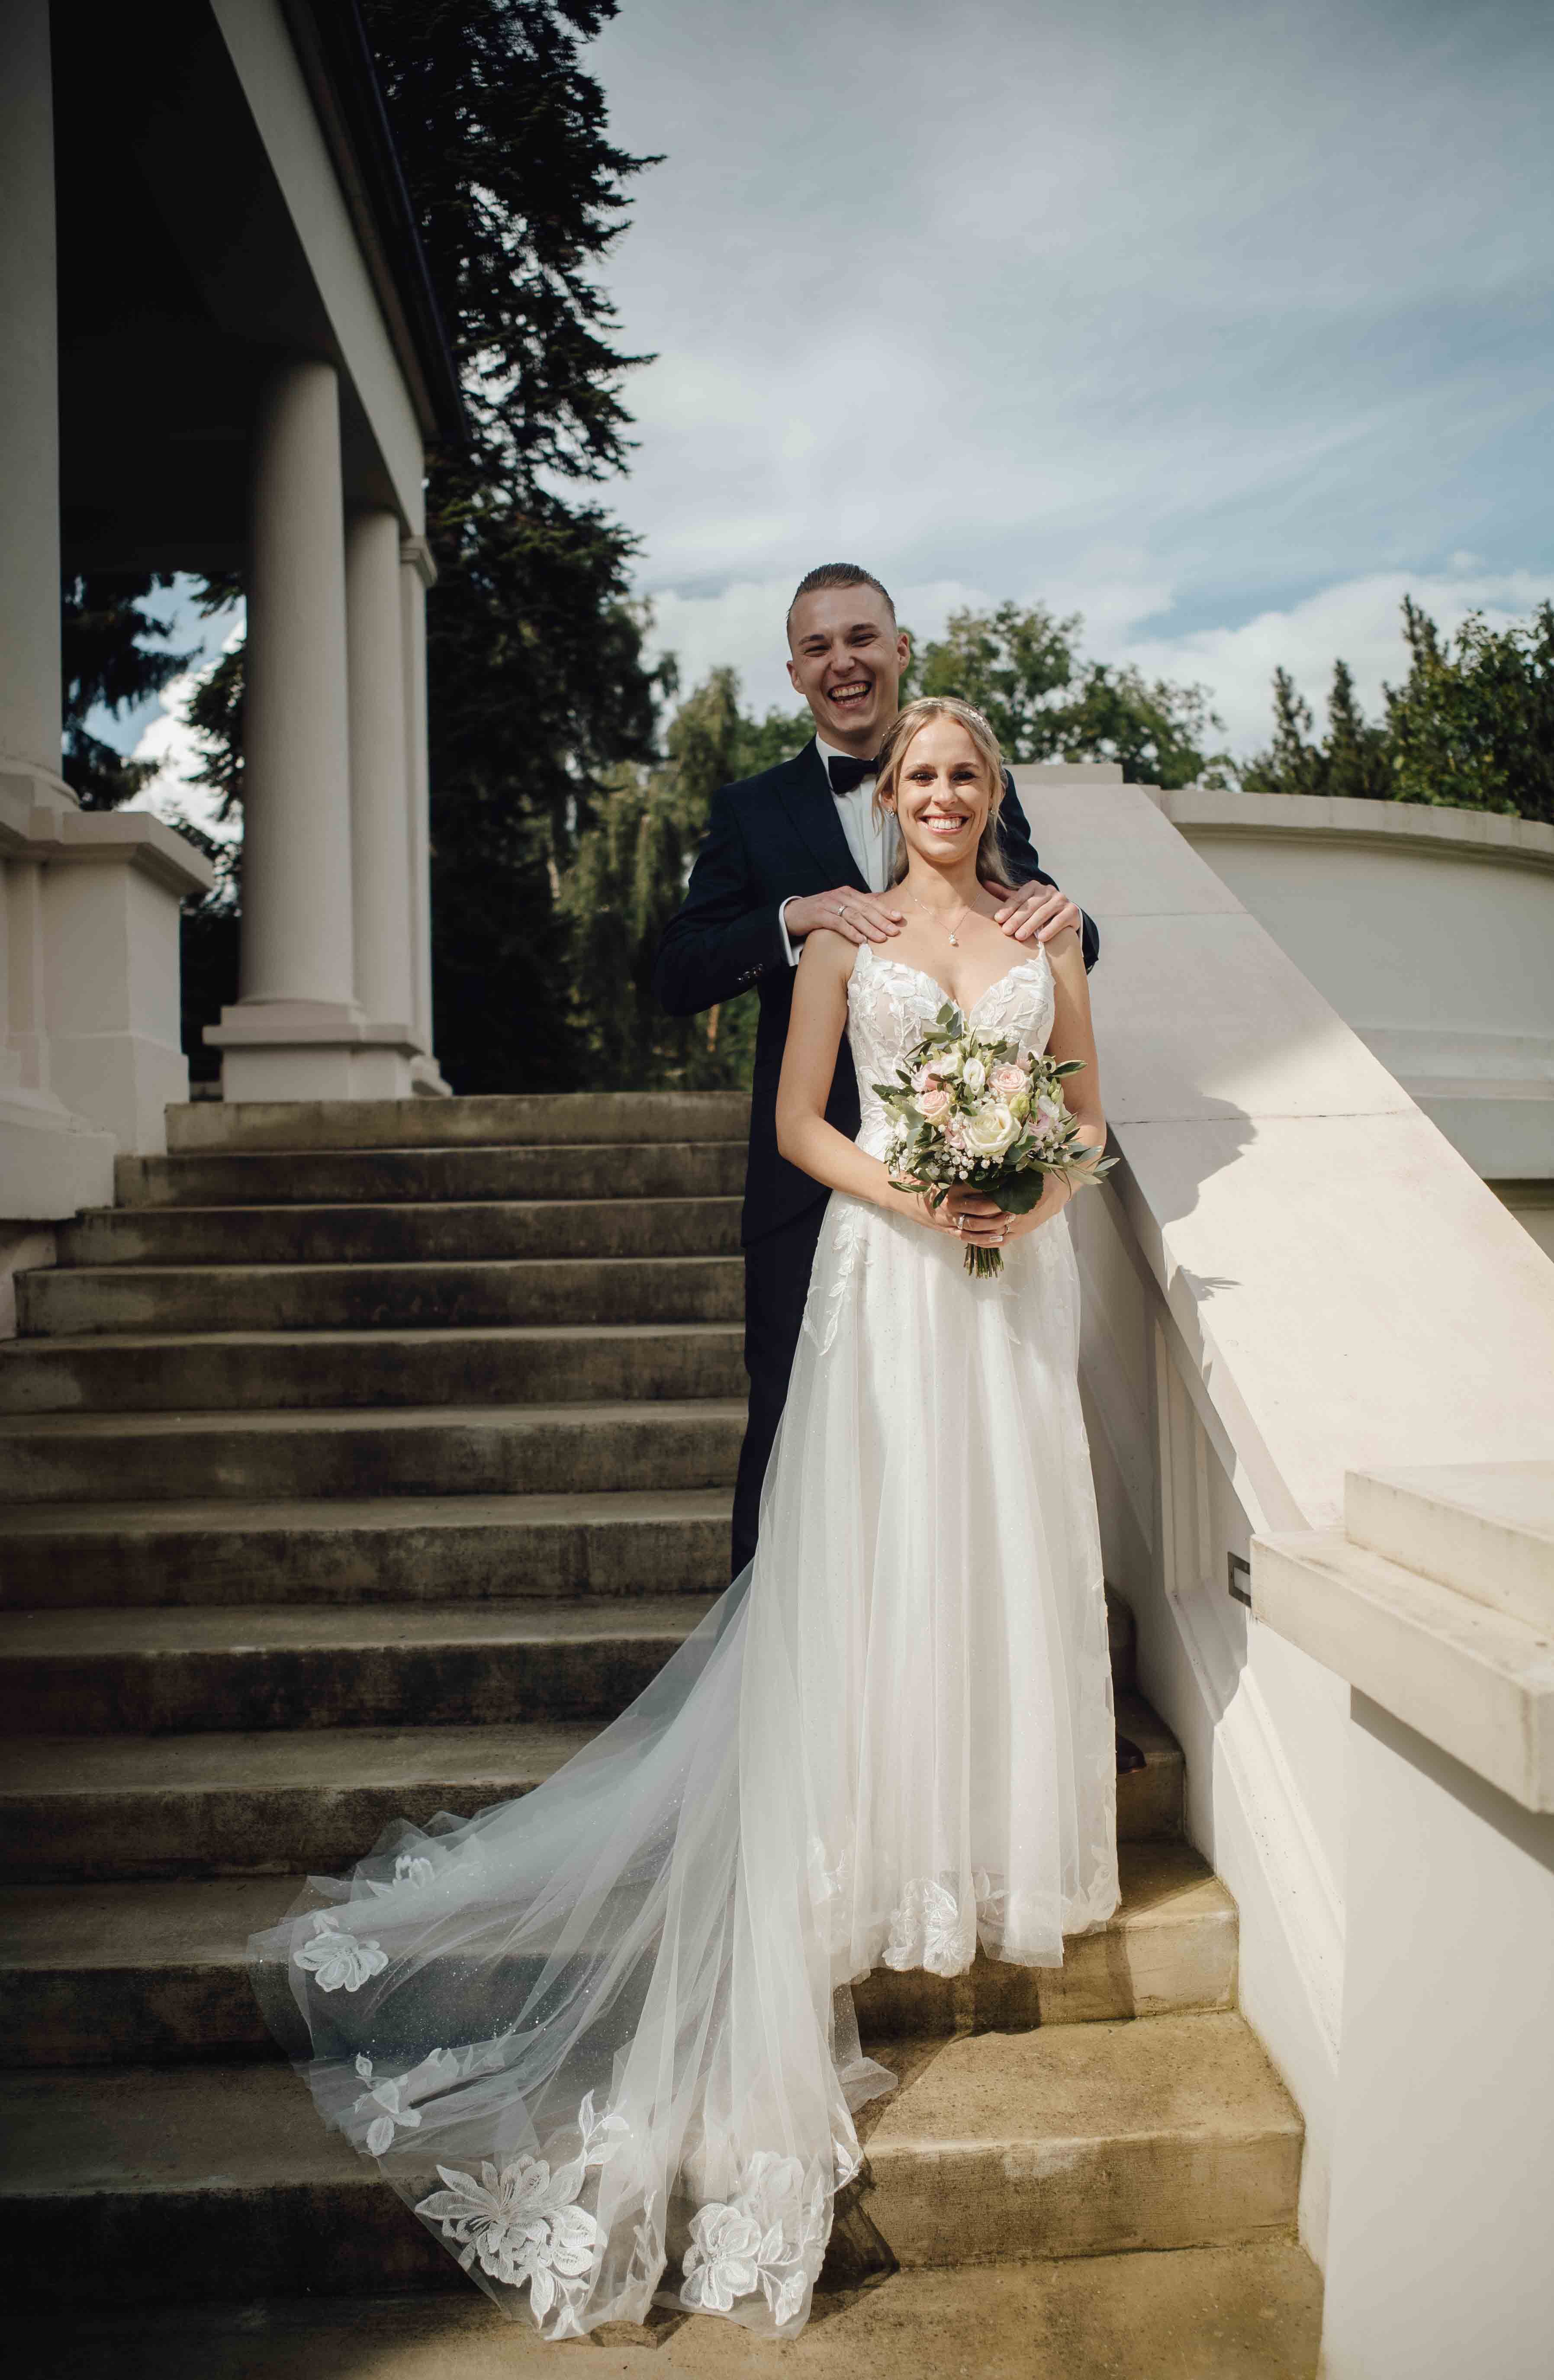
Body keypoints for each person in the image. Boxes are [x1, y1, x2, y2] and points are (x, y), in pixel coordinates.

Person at [249, 693, 1119, 2345]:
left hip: (1010, 1292)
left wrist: (1025, 1187)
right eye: (918, 777)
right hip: (886, 1271)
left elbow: (1082, 1112)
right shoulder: (838, 942)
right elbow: (801, 1126)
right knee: (877, 1566)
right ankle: (858, 1846)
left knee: (999, 1555)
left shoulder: (1042, 934)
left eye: (961, 775)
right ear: (892, 800)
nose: (936, 794)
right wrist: (918, 1191)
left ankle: (975, 1844)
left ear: (989, 793)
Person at [651, 563, 1097, 1575]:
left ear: (900, 649)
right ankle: (787, 1702)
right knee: (791, 1437)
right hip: (817, 1193)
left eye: (862, 638)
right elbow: (675, 972)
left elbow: (1034, 918)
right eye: (819, 646)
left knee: (989, 1445)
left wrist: (1067, 919)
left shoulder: (974, 785)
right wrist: (791, 918)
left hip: (987, 1182)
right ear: (799, 673)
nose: (843, 661)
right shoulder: (753, 809)